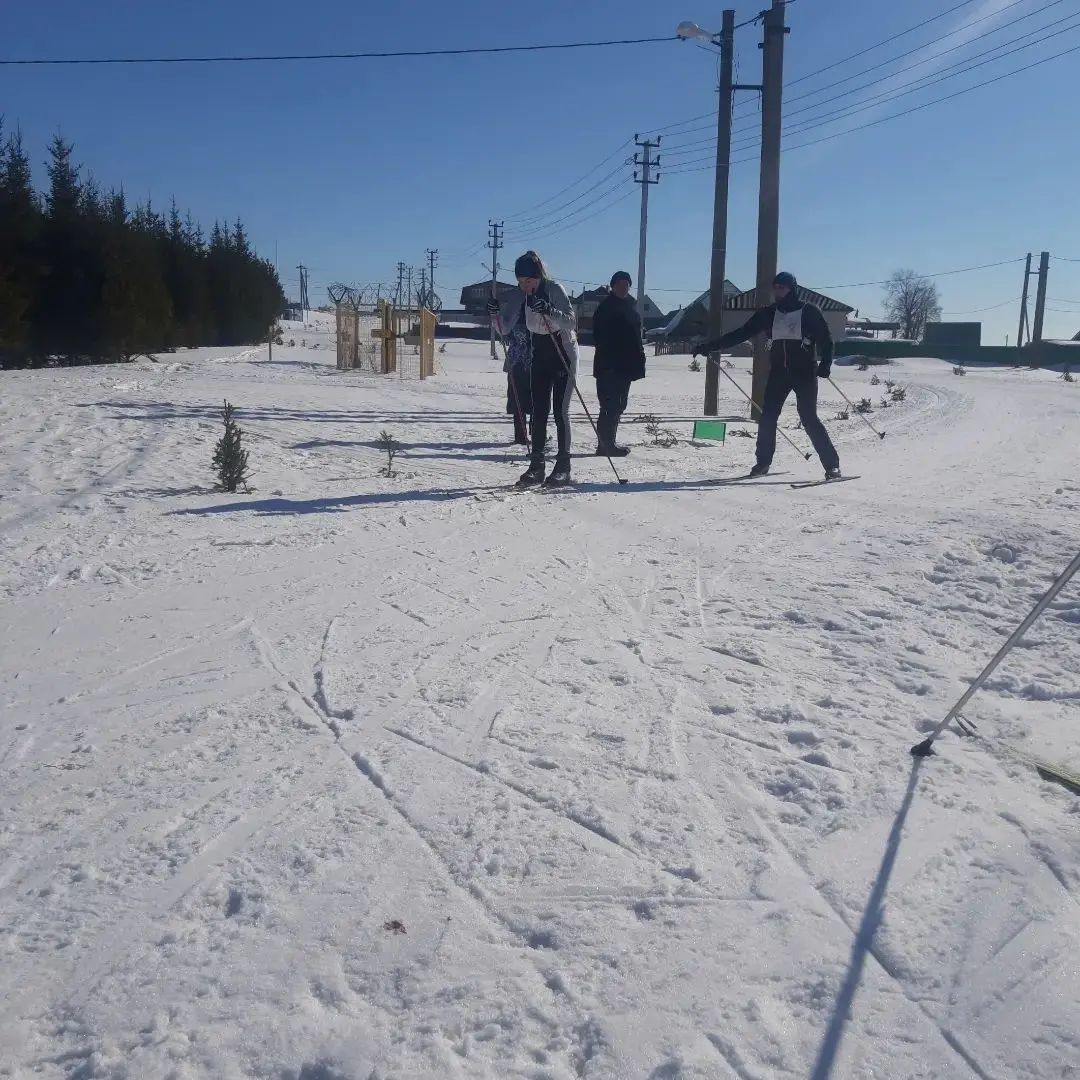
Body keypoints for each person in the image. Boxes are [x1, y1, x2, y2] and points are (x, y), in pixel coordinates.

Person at [694, 271, 841, 480]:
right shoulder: (768, 313)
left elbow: (826, 339)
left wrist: (826, 363)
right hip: (779, 373)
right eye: (775, 287)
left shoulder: (808, 311)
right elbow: (740, 333)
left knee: (809, 418)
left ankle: (832, 465)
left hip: (804, 372)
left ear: (792, 289)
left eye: (782, 287)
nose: (777, 291)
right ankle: (762, 464)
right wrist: (709, 346)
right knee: (767, 418)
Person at [488, 251, 579, 487]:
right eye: (521, 281)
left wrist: (549, 309)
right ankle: (537, 466)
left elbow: (571, 321)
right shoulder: (520, 295)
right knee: (539, 411)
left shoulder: (554, 289)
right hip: (539, 354)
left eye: (529, 281)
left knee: (560, 411)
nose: (525, 286)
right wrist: (494, 314)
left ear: (538, 276)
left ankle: (563, 467)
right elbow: (504, 328)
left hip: (563, 354)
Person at [591, 271, 646, 457]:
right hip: (610, 366)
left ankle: (608, 442)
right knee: (610, 406)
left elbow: (635, 337)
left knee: (619, 405)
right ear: (613, 286)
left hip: (625, 367)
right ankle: (605, 445)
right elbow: (601, 338)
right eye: (620, 284)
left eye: (626, 285)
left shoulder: (629, 306)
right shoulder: (606, 308)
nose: (624, 287)